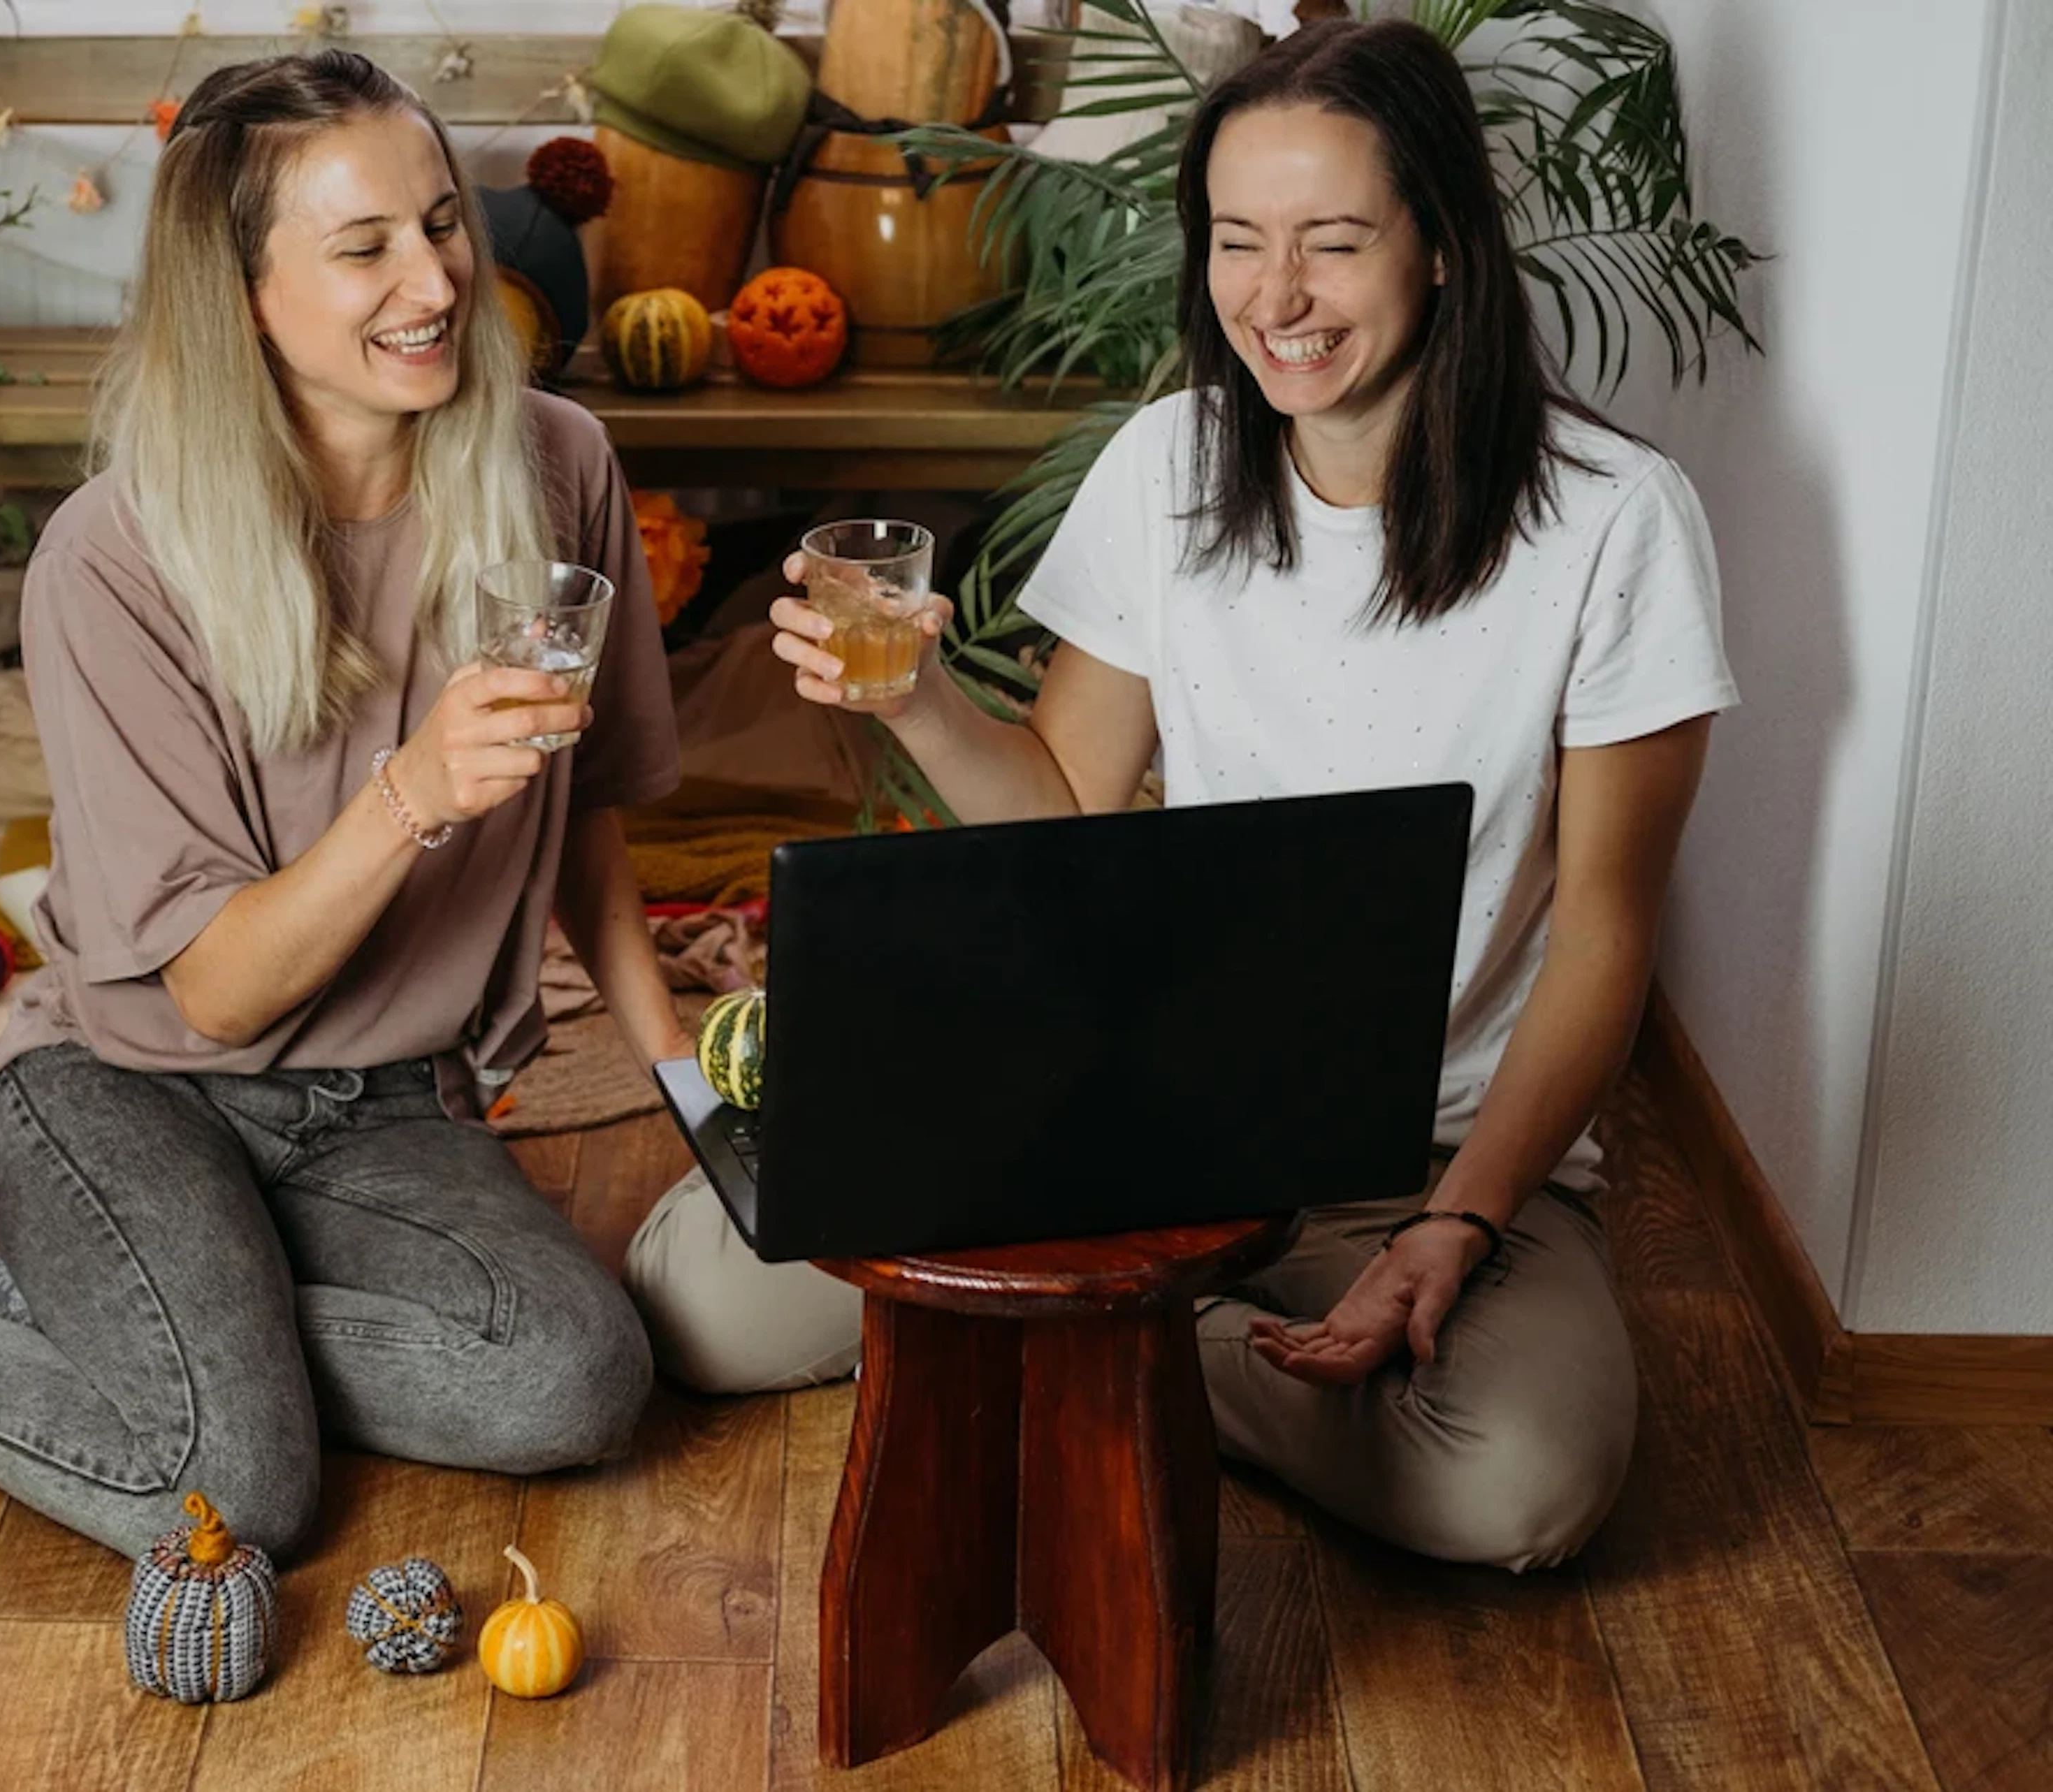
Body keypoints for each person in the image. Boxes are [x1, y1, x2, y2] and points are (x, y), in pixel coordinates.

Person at [623, 17, 1739, 1573]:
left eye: (1333, 244)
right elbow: (1069, 809)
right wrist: (921, 700)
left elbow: (1605, 943)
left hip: (1426, 1157)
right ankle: (1147, 1341)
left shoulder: (1616, 525)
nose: (1275, 299)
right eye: (1238, 242)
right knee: (699, 1305)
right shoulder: (1172, 465)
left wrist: (1455, 1227)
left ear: (1442, 250)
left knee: (1517, 1488)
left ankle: (1085, 1351)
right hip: (1128, 1103)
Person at [0, 51, 687, 1559]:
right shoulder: (116, 559)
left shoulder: (555, 466)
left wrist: (691, 1084)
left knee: (579, 1378)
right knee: (236, 1494)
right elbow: (215, 995)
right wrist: (414, 789)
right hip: (129, 1087)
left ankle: (163, 1342)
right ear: (242, 293)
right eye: (361, 247)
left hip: (390, 1104)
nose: (431, 277)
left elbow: (593, 817)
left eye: (441, 222)